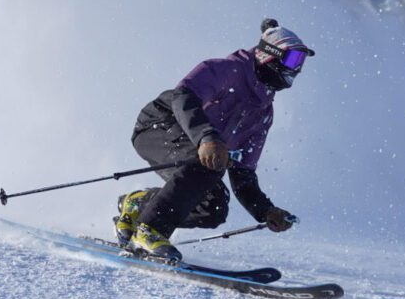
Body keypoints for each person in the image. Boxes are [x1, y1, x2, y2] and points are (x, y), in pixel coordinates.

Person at [113, 18, 314, 262]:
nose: (297, 69)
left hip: (199, 148)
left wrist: (265, 211)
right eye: (293, 59)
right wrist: (206, 138)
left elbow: (243, 174)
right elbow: (184, 96)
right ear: (268, 54)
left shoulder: (262, 113)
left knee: (213, 208)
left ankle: (138, 205)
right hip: (158, 125)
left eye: (300, 63)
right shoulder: (230, 70)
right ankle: (150, 230)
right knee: (208, 163)